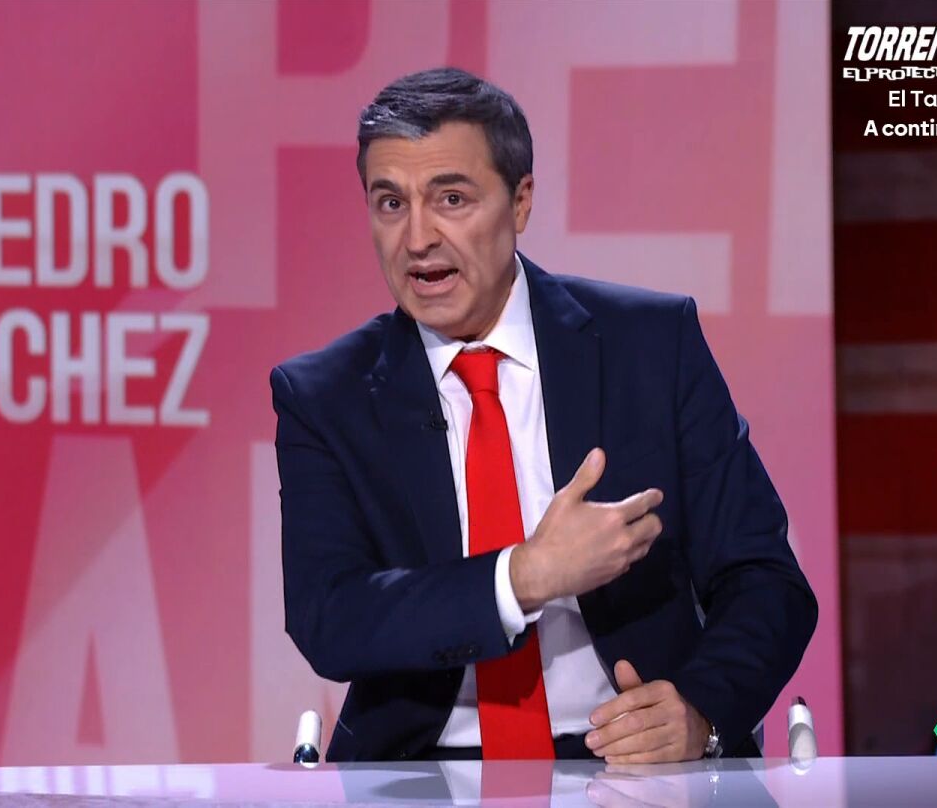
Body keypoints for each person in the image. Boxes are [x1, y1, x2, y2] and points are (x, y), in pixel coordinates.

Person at [270, 67, 817, 763]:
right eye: (390, 203)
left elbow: (766, 579)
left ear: (521, 201)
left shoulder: (650, 346)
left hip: (633, 761)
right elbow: (330, 616)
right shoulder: (325, 396)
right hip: (421, 769)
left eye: (451, 198)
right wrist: (523, 577)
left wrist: (701, 710)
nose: (417, 238)